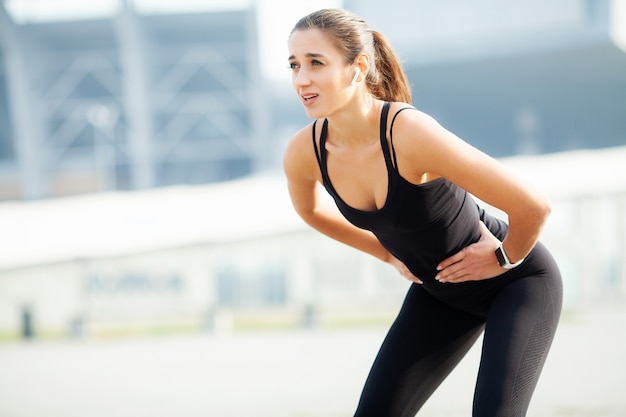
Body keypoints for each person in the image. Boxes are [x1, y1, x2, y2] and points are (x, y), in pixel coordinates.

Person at [282, 8, 563, 417]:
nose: (301, 79)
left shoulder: (408, 134)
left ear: (358, 67)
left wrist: (504, 256)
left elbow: (533, 206)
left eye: (315, 63)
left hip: (518, 283)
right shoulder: (305, 152)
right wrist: (387, 254)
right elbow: (310, 211)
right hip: (440, 292)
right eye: (293, 65)